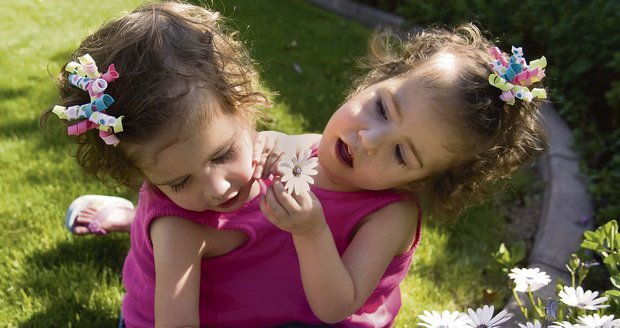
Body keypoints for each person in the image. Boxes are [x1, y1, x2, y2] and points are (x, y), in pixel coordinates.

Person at [46, 2, 548, 326]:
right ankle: (137, 220)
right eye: (380, 108)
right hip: (210, 297)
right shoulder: (277, 160)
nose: (369, 141)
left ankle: (137, 219)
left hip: (304, 311)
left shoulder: (389, 215)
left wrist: (311, 233)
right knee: (192, 219)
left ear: (426, 179)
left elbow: (335, 306)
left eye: (401, 153)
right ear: (369, 83)